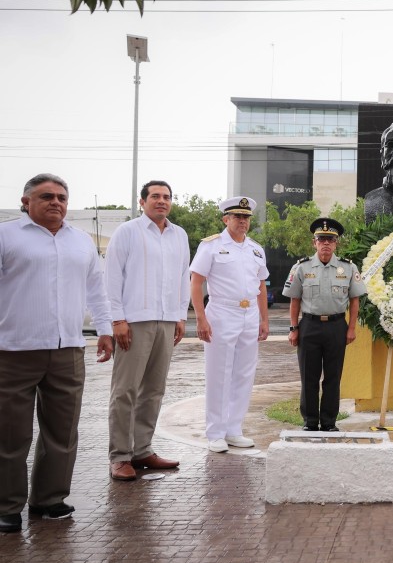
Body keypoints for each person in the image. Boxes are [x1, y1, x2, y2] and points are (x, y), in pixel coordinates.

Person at [0, 174, 114, 534]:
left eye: (62, 197)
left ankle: (50, 500)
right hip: (13, 350)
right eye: (46, 196)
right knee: (10, 434)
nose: (56, 202)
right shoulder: (6, 236)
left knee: (62, 432)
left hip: (67, 350)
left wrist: (105, 329)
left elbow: (97, 288)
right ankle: (6, 507)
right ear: (26, 201)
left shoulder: (80, 242)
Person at [106, 180, 190, 481]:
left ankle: (142, 450)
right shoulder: (128, 232)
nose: (162, 201)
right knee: (125, 390)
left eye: (167, 196)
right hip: (134, 321)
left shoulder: (179, 235)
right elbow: (112, 276)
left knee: (154, 389)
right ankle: (120, 456)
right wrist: (117, 319)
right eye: (155, 196)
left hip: (167, 321)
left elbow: (183, 277)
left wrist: (181, 316)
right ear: (142, 202)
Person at [189, 196, 270, 453]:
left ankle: (234, 429)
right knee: (219, 373)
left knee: (244, 374)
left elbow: (261, 286)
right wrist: (200, 317)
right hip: (222, 312)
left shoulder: (256, 249)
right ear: (226, 219)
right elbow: (196, 281)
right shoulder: (211, 246)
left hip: (249, 314)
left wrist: (264, 319)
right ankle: (215, 433)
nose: (242, 221)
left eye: (246, 217)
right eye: (237, 217)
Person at [282, 218, 366, 432]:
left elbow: (355, 299)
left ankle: (329, 421)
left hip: (337, 327)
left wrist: (352, 328)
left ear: (336, 243)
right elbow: (295, 300)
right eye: (322, 239)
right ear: (314, 242)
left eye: (330, 239)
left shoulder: (348, 267)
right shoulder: (301, 267)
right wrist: (293, 328)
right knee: (308, 377)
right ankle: (310, 421)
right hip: (309, 326)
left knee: (333, 377)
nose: (326, 243)